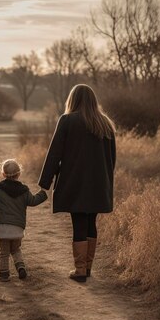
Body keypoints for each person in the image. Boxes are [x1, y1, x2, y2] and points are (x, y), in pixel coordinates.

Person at [38, 84, 116, 283]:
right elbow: (111, 158)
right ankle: (87, 268)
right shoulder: (106, 123)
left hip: (76, 181)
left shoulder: (67, 120)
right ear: (93, 100)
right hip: (99, 182)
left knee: (79, 222)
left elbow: (55, 153)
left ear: (72, 100)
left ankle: (80, 270)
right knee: (91, 222)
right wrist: (106, 180)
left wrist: (45, 182)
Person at [0, 159, 47, 282]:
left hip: (3, 228)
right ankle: (20, 267)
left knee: (4, 253)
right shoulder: (24, 190)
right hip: (18, 228)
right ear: (19, 174)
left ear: (3, 174)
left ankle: (4, 275)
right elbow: (34, 201)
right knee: (15, 249)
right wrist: (43, 193)